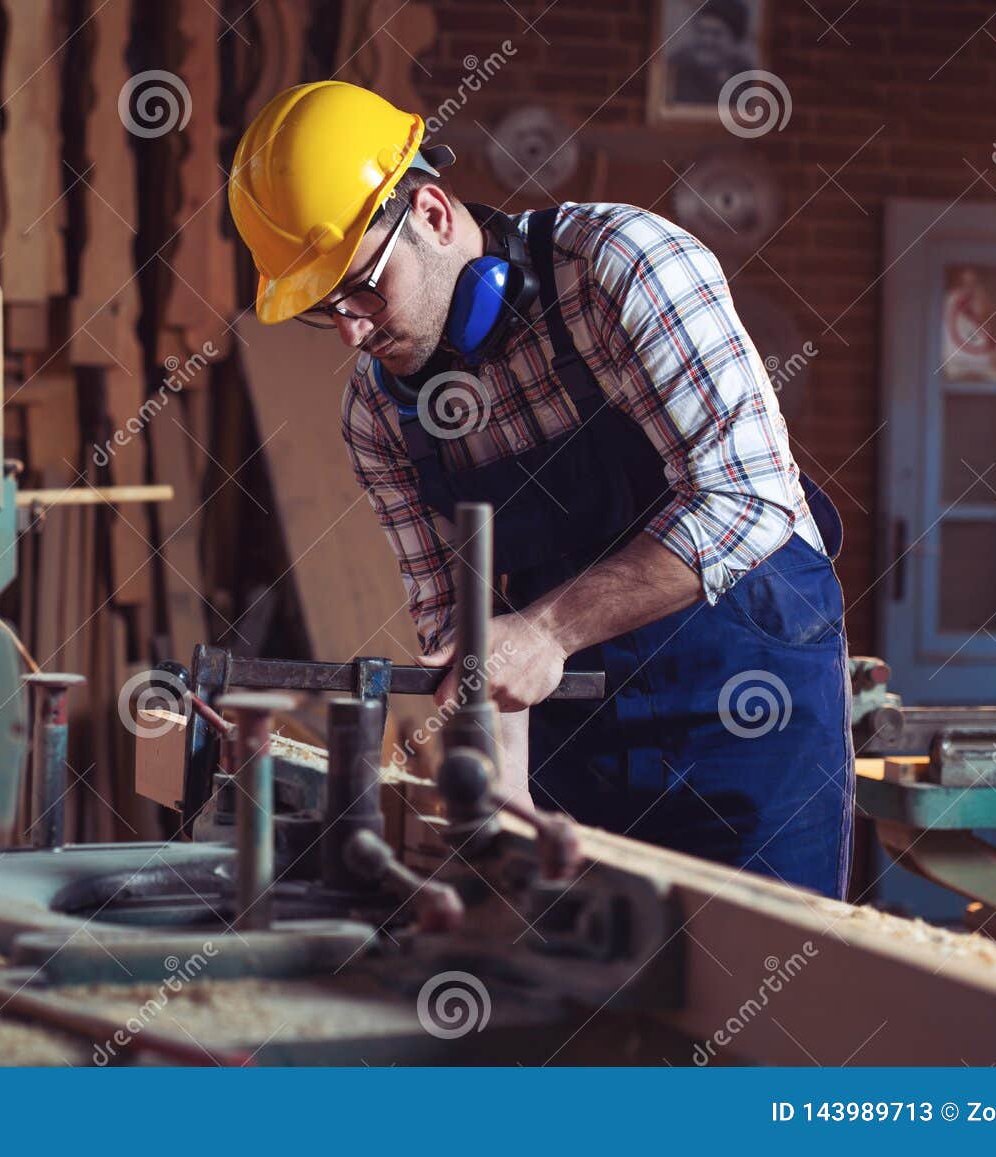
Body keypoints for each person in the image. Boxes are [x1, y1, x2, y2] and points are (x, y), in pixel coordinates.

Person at [226, 81, 853, 898]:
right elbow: (465, 630)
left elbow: (750, 498)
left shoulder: (620, 268)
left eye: (363, 288)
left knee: (770, 999)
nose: (351, 329)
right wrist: (506, 793)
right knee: (576, 1002)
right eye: (327, 308)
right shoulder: (379, 415)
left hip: (751, 717)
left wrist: (550, 631)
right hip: (582, 747)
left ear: (435, 215)